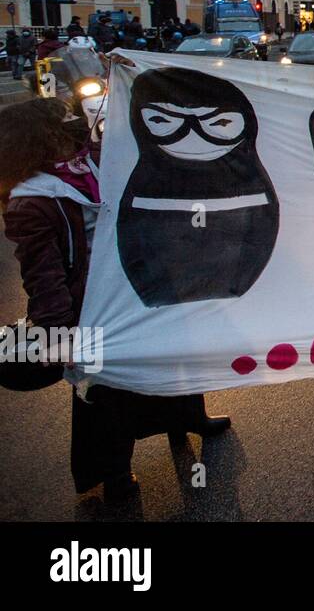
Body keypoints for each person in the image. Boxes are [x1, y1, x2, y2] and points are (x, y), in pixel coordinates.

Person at [0, 97, 231, 503]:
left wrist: (120, 80)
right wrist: (60, 334)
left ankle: (190, 420)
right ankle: (115, 473)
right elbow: (43, 277)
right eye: (63, 122)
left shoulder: (86, 163)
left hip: (143, 283)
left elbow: (129, 137)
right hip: (94, 306)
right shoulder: (30, 201)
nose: (74, 125)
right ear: (40, 139)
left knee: (176, 356)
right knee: (108, 391)